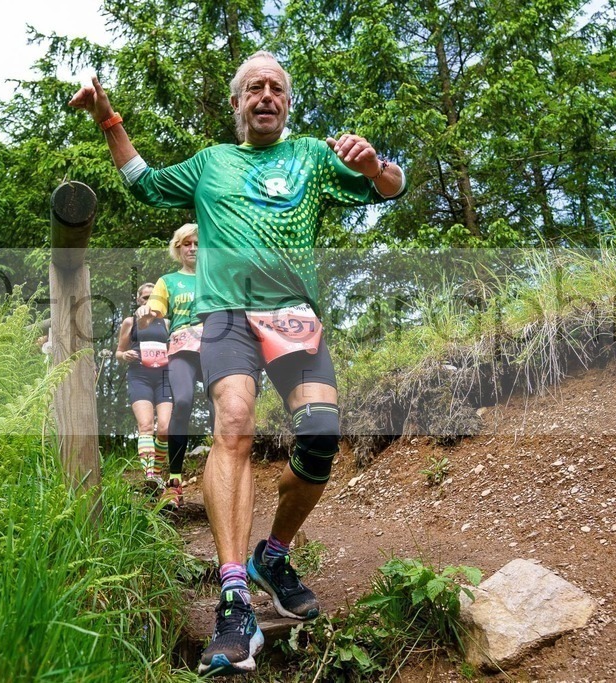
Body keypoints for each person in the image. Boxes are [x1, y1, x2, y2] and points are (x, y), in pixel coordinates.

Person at [71, 50, 405, 676]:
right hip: (225, 316)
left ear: (287, 102)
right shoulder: (211, 164)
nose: (266, 96)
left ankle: (273, 558)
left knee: (321, 436)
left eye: (276, 88)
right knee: (233, 422)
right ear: (236, 104)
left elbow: (389, 189)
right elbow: (142, 179)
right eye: (253, 88)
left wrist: (377, 165)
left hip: (292, 313)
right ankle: (233, 599)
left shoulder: (310, 155)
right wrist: (109, 118)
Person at [137, 223, 206, 508]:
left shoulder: (214, 277)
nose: (191, 248)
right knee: (184, 400)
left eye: (197, 243)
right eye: (185, 244)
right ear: (178, 249)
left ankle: (221, 478)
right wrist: (147, 311)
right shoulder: (168, 281)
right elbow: (154, 310)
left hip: (215, 346)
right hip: (182, 348)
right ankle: (175, 480)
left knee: (222, 410)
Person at [116, 282, 172, 490]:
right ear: (138, 300)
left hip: (164, 377)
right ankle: (149, 474)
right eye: (144, 298)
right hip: (139, 375)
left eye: (152, 297)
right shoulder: (130, 322)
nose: (148, 301)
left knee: (165, 427)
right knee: (146, 425)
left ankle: (157, 473)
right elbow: (119, 352)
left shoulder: (166, 323)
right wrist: (125, 355)